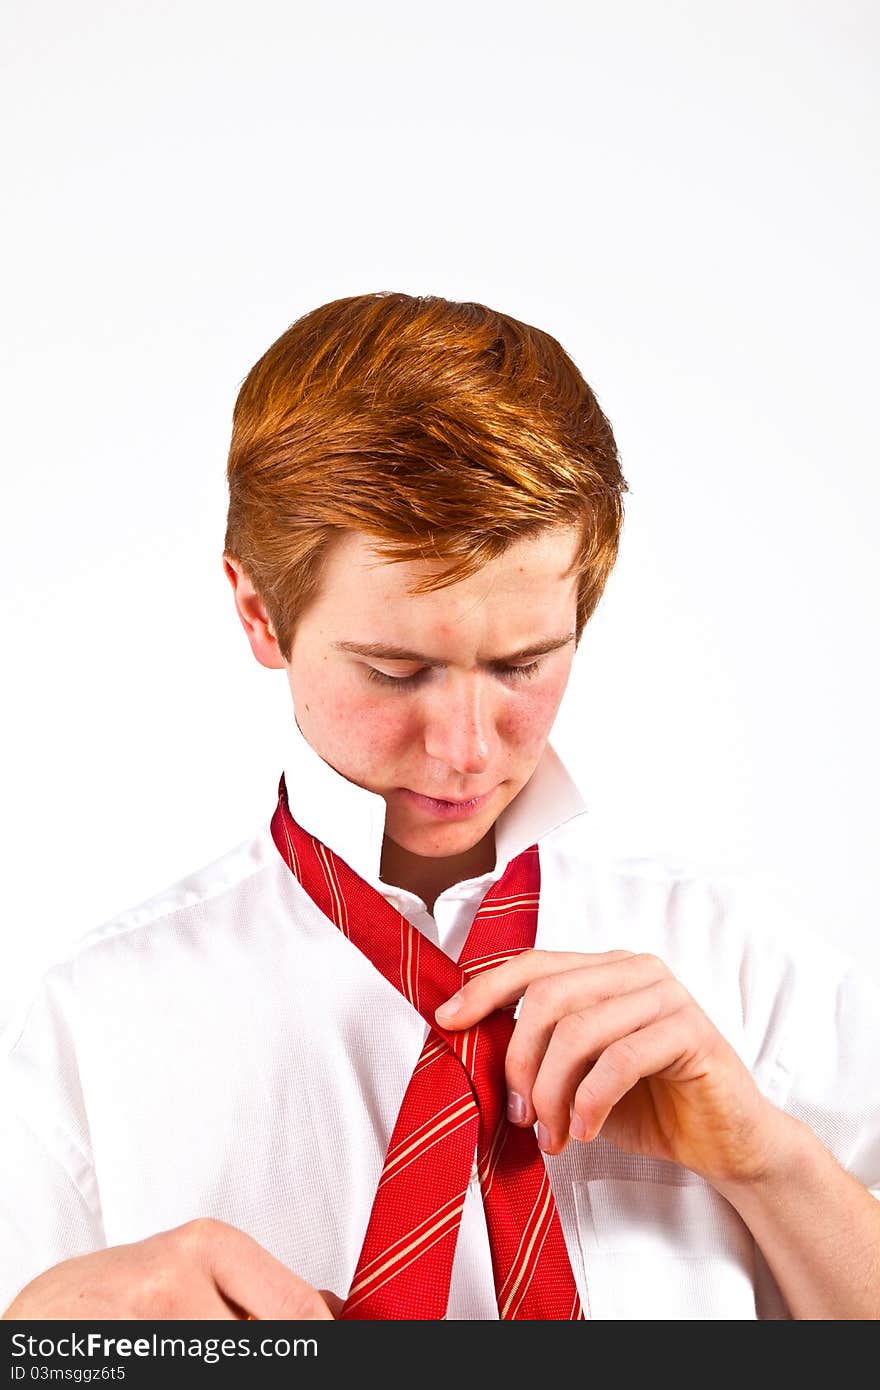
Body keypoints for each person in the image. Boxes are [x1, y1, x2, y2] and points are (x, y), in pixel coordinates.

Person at [2, 291, 879, 1322]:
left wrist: (769, 1164)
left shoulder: (745, 972)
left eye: (523, 663)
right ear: (257, 611)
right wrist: (48, 1349)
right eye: (395, 669)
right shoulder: (86, 1032)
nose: (466, 748)